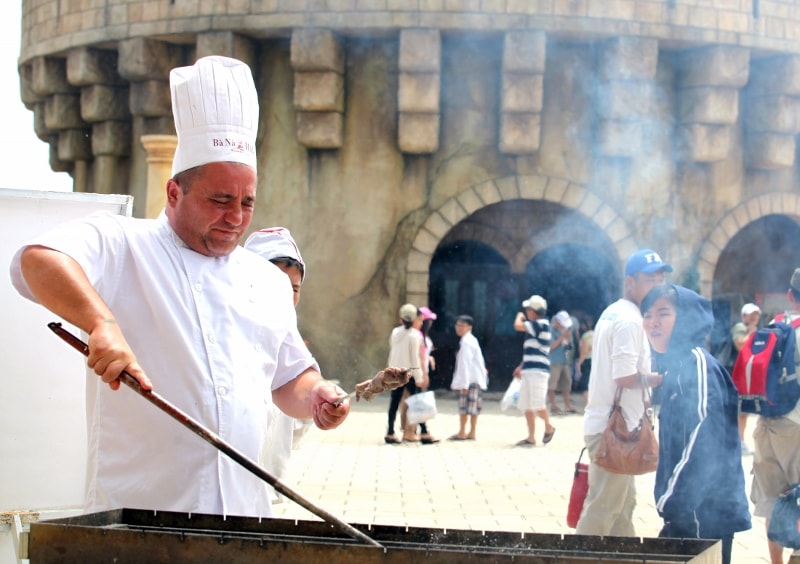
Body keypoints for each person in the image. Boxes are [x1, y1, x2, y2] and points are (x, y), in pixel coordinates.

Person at [8, 56, 349, 518]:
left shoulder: (267, 281)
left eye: (247, 202)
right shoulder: (123, 243)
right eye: (220, 200)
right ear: (174, 192)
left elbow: (290, 377)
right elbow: (37, 259)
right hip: (139, 517)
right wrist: (101, 324)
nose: (236, 217)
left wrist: (316, 396)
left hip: (243, 519)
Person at [641, 284, 751, 564]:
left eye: (663, 313)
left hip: (704, 512)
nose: (653, 322)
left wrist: (673, 499)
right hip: (688, 511)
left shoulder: (697, 363)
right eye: (648, 314)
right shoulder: (677, 367)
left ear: (686, 319)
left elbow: (705, 436)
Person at [575, 249, 670, 536]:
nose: (658, 284)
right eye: (650, 279)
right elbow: (626, 376)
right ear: (630, 281)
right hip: (615, 431)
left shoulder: (613, 311)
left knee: (622, 509)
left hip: (611, 427)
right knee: (603, 510)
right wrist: (660, 379)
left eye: (661, 278)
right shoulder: (630, 320)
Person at [244, 227, 313, 502]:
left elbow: (298, 421)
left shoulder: (289, 336)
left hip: (266, 486)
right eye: (273, 282)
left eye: (293, 288)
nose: (283, 294)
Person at [751, 268, 800, 564]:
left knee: (772, 502)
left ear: (791, 296)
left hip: (765, 423)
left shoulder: (774, 324)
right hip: (796, 426)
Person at [512, 295, 556, 447]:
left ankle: (549, 426)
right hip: (530, 369)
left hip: (538, 371)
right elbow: (532, 351)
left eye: (528, 309)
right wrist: (521, 366)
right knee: (527, 405)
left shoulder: (541, 324)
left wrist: (519, 316)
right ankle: (531, 437)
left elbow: (518, 325)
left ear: (533, 311)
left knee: (538, 404)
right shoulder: (535, 326)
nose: (525, 311)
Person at [385, 303, 427, 444]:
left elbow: (392, 351)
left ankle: (390, 432)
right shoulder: (415, 336)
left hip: (395, 372)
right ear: (414, 318)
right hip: (409, 373)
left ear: (401, 318)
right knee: (417, 402)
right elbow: (414, 358)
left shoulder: (395, 332)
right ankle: (424, 431)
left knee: (394, 403)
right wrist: (419, 376)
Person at [448, 315, 488, 441]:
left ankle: (463, 432)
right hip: (474, 379)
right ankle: (471, 432)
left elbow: (466, 364)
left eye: (462, 325)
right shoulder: (471, 340)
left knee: (465, 407)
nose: (458, 328)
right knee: (474, 406)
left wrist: (464, 384)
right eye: (457, 325)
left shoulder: (466, 342)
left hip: (470, 380)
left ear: (469, 327)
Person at [734, 302, 761, 456]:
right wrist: (751, 331)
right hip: (736, 375)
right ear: (743, 316)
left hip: (744, 377)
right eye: (751, 315)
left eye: (756, 315)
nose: (754, 318)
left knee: (743, 411)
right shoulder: (740, 328)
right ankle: (739, 442)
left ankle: (740, 441)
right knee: (739, 411)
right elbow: (740, 345)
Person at [415, 306, 440, 444]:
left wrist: (429, 358)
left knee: (415, 401)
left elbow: (424, 354)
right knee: (417, 402)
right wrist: (424, 375)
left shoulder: (423, 336)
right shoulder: (418, 336)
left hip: (419, 372)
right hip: (417, 373)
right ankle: (423, 432)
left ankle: (416, 430)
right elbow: (418, 357)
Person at [548, 310, 577, 414]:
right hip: (553, 361)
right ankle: (553, 405)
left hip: (564, 360)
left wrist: (568, 340)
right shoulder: (549, 330)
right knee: (552, 384)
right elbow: (550, 347)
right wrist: (562, 337)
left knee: (567, 383)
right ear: (557, 321)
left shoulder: (562, 331)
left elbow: (568, 348)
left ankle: (567, 405)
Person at [575, 317, 594, 401]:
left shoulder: (585, 336)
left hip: (587, 361)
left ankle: (588, 404)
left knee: (585, 384)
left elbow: (585, 351)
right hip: (596, 361)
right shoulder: (596, 334)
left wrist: (579, 363)